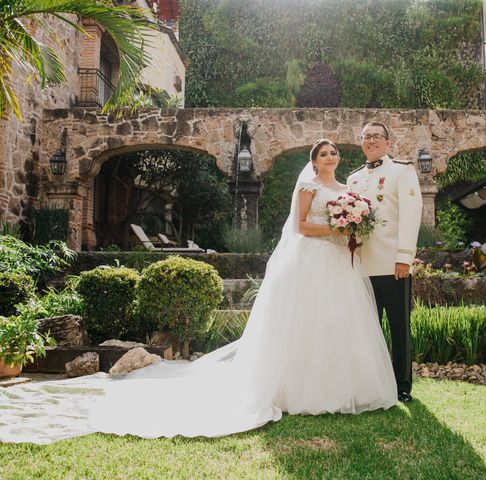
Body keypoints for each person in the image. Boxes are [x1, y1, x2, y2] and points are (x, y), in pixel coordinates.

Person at [0, 139, 397, 444]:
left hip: (338, 264)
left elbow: (348, 222)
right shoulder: (309, 185)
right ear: (313, 161)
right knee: (306, 322)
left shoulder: (345, 188)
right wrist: (337, 228)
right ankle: (298, 390)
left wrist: (351, 228)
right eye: (323, 153)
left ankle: (346, 388)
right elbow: (300, 228)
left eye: (332, 153)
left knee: (338, 322)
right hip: (312, 258)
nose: (329, 157)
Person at [348, 122, 423, 403]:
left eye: (377, 136)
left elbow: (411, 214)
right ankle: (373, 385)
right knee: (368, 329)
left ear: (388, 143)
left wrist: (404, 257)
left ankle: (402, 385)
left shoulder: (402, 171)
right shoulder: (353, 178)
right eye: (366, 137)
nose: (371, 141)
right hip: (362, 267)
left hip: (393, 265)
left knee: (399, 326)